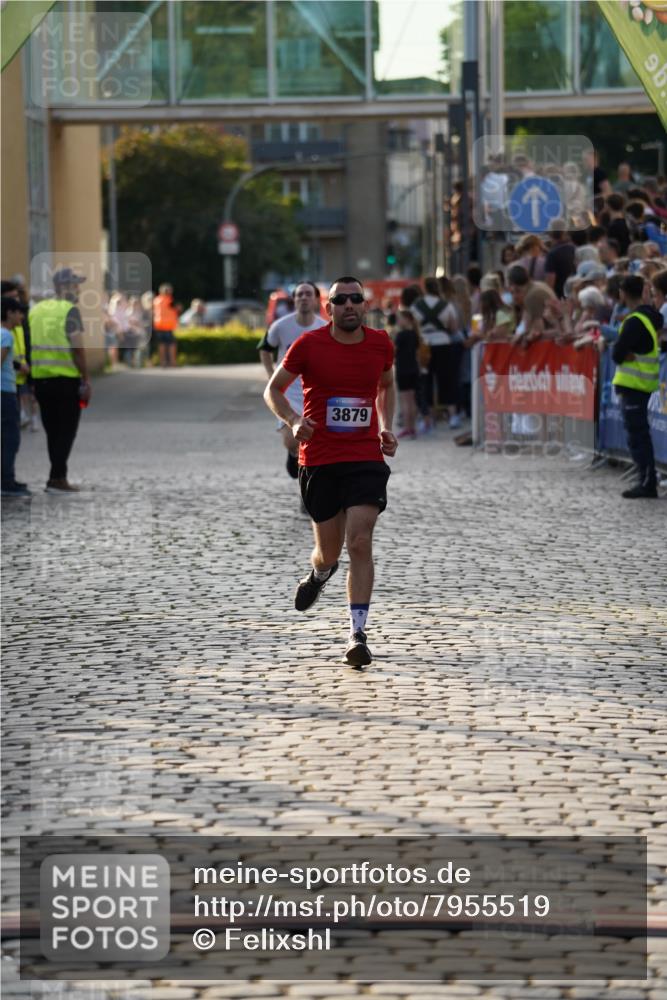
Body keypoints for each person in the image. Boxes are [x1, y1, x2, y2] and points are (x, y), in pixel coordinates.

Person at [263, 276, 398, 668]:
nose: (350, 305)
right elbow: (273, 389)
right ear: (330, 309)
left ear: (365, 307)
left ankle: (357, 633)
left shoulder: (380, 344)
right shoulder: (309, 345)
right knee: (328, 553)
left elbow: (385, 386)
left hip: (364, 456)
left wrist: (385, 424)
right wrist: (292, 420)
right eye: (342, 300)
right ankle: (319, 575)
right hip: (319, 458)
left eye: (357, 299)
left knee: (359, 541)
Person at [29, 267, 91, 493]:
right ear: (63, 287)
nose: (78, 289)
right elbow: (78, 349)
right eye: (75, 284)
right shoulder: (69, 310)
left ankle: (58, 477)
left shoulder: (36, 310)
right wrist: (86, 379)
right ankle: (56, 479)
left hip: (41, 381)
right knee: (66, 431)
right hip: (65, 381)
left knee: (53, 431)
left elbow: (28, 345)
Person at [258, 281, 328, 481]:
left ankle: (307, 491)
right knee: (291, 441)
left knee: (311, 442)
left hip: (313, 392)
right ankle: (292, 455)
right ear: (294, 300)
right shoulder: (280, 326)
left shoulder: (324, 328)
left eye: (308, 294)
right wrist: (271, 374)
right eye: (299, 295)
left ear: (315, 300)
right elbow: (264, 348)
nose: (304, 298)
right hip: (287, 391)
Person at [611, 274, 662, 499]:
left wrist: (624, 353)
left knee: (638, 435)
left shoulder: (634, 321)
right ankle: (645, 478)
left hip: (635, 385)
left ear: (623, 293)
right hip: (641, 385)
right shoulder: (650, 317)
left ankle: (647, 482)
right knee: (638, 435)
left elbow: (617, 354)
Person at [1, 296, 31, 497]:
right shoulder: (6, 335)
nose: (21, 316)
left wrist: (19, 366)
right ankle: (7, 481)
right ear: (9, 313)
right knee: (10, 438)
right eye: (19, 312)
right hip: (5, 393)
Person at [393, 310, 421, 439]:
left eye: (400, 319)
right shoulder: (415, 334)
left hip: (403, 369)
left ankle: (407, 428)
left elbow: (394, 350)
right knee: (412, 399)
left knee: (405, 401)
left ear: (406, 319)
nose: (398, 321)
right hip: (414, 368)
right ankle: (413, 428)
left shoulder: (401, 335)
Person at [544, 221, 576, 298]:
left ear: (550, 234)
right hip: (574, 294)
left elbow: (550, 281)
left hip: (560, 296)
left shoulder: (552, 254)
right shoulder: (574, 249)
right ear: (564, 232)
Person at [153, 283, 179, 367]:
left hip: (159, 325)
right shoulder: (169, 300)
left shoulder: (156, 300)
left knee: (162, 344)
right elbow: (176, 308)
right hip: (168, 326)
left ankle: (163, 362)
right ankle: (172, 362)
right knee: (171, 344)